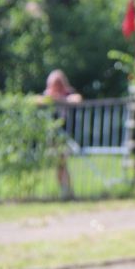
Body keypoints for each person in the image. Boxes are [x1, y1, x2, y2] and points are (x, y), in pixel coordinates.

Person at [41, 69, 82, 199]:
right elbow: (36, 99)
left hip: (65, 136)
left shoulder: (69, 93)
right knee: (60, 164)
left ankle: (66, 191)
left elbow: (77, 99)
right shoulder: (47, 95)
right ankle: (66, 191)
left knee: (61, 162)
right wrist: (51, 99)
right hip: (53, 137)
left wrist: (61, 99)